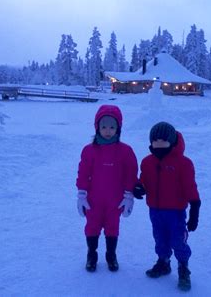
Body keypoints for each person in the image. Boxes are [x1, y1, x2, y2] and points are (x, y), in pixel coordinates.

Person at [133, 122, 201, 291]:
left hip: (175, 212)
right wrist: (139, 187)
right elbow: (144, 180)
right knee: (160, 238)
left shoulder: (184, 163)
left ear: (171, 141)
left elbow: (190, 187)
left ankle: (183, 267)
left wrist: (194, 210)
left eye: (163, 140)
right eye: (155, 140)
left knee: (177, 240)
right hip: (155, 210)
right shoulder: (147, 162)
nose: (159, 144)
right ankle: (163, 262)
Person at [76, 105, 138, 272]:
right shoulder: (89, 151)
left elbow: (131, 173)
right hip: (93, 200)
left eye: (112, 126)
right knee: (92, 226)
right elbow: (83, 173)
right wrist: (81, 194)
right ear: (97, 127)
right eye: (104, 126)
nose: (108, 130)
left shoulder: (125, 151)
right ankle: (91, 254)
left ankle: (111, 255)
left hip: (115, 200)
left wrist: (129, 195)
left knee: (112, 227)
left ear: (118, 128)